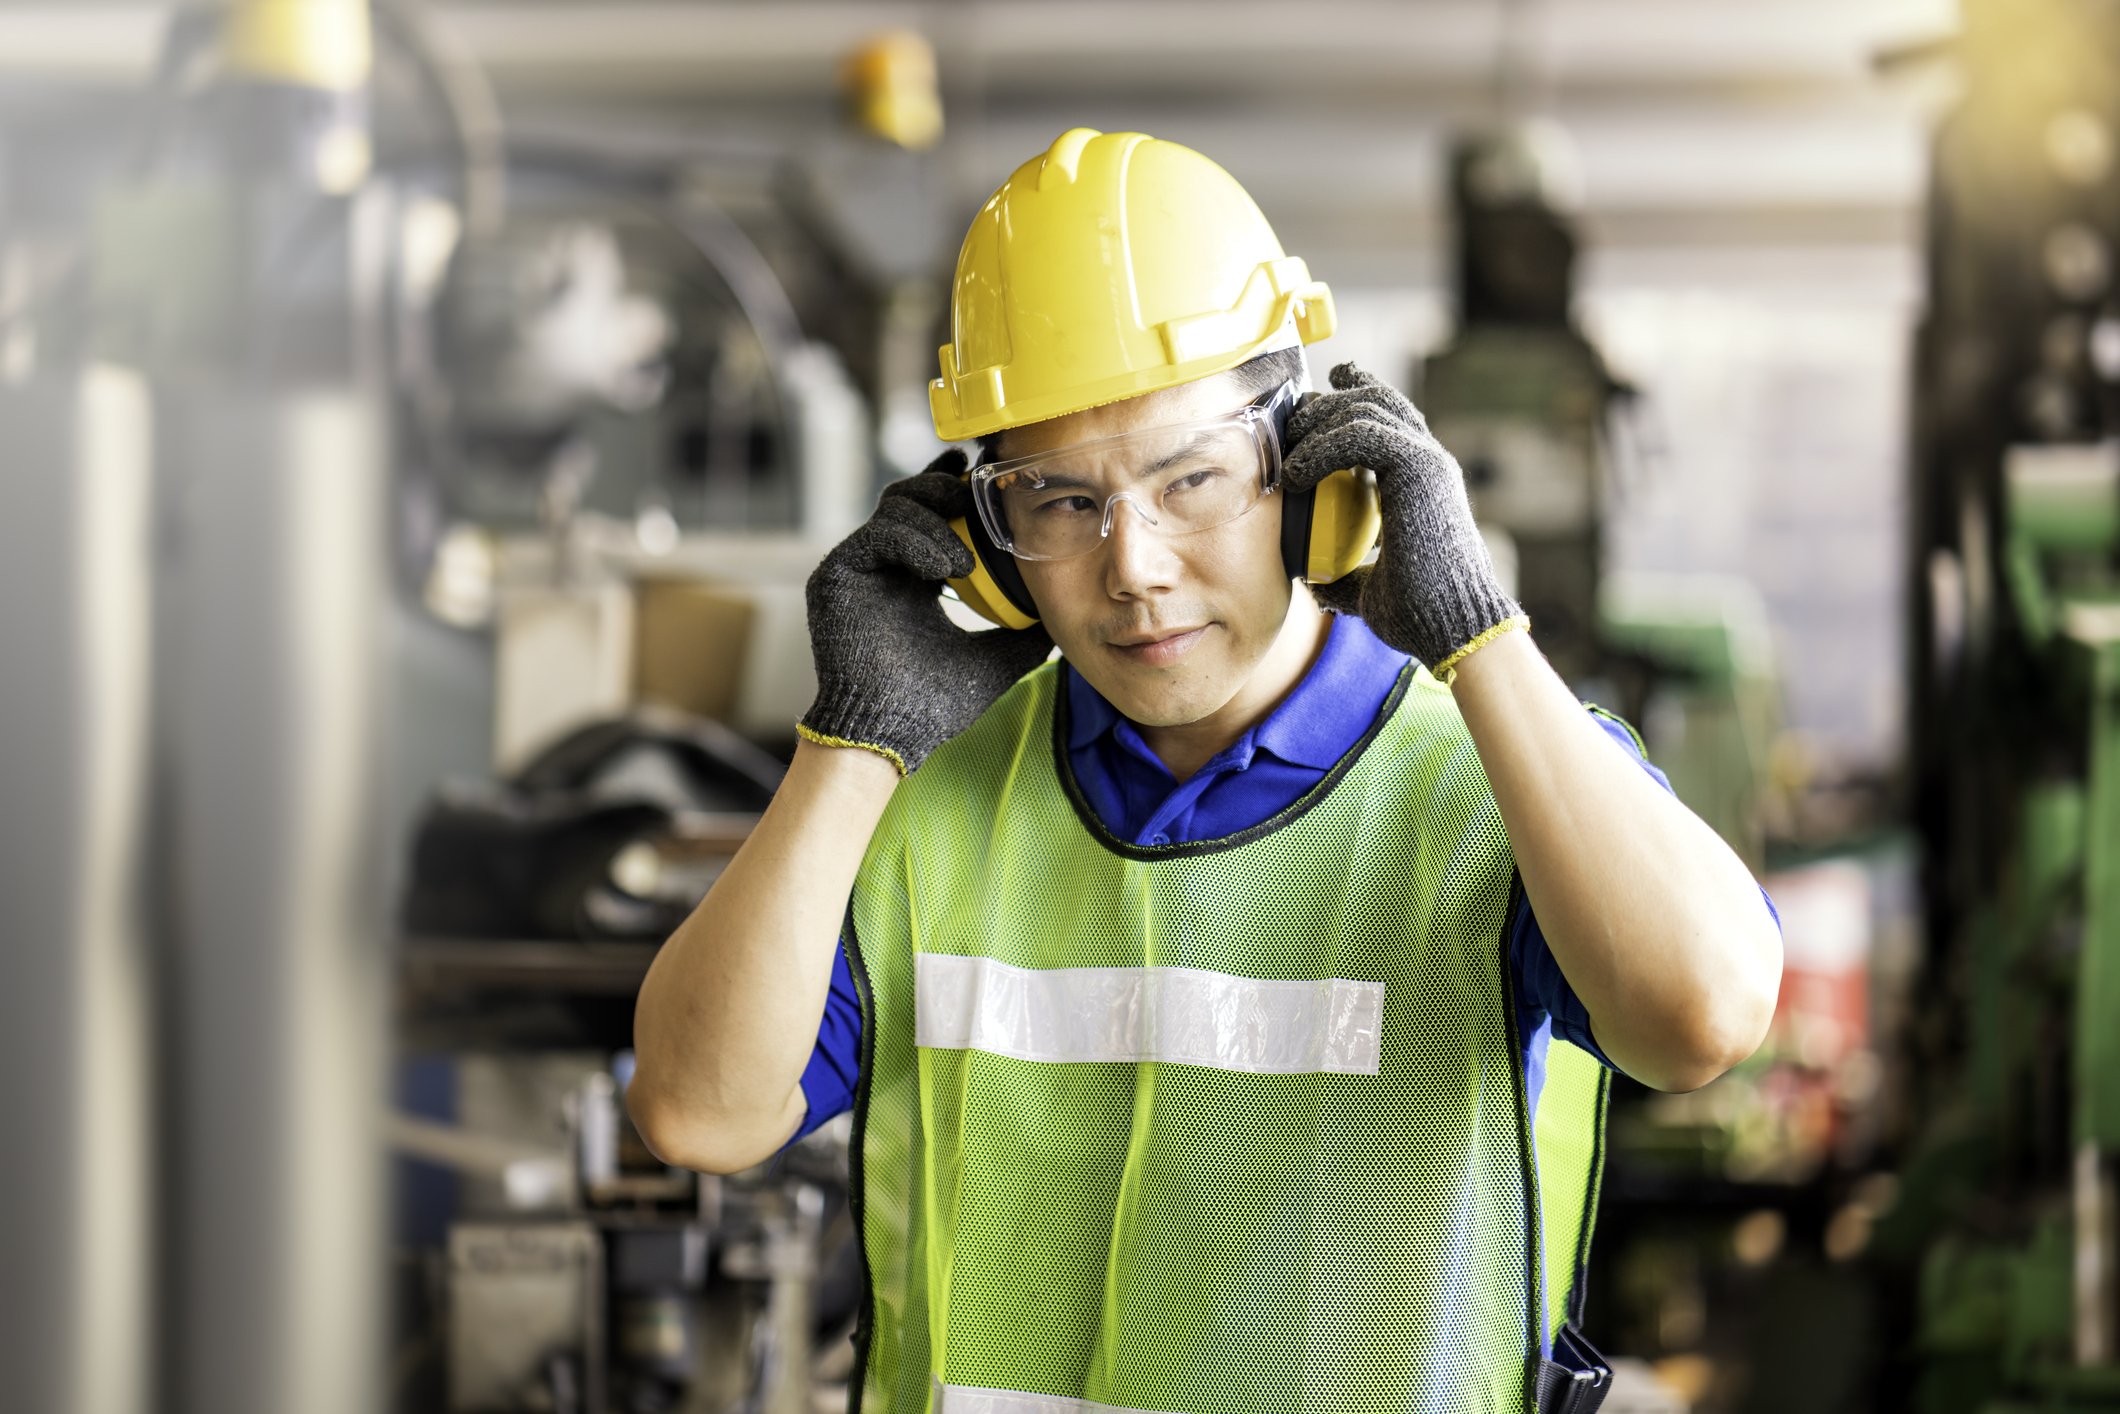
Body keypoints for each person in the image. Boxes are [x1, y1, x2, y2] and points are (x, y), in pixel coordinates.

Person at [630, 128, 1782, 1414]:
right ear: (988, 540)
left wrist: (1477, 633)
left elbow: (1700, 1020)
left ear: (1306, 477)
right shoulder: (922, 808)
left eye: (1191, 479)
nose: (1133, 566)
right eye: (1059, 503)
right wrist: (848, 745)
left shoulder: (1494, 785)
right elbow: (695, 1112)